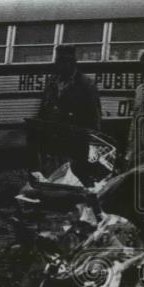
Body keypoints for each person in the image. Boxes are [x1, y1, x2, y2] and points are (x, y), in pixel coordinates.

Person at [36, 44, 102, 183]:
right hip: (53, 147)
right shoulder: (52, 83)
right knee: (53, 183)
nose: (61, 65)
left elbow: (94, 121)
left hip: (76, 148)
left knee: (75, 184)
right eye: (59, 61)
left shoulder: (86, 85)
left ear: (73, 62)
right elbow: (43, 112)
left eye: (65, 61)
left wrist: (91, 153)